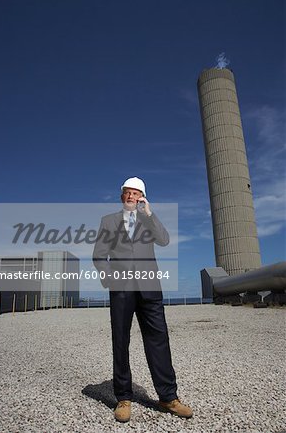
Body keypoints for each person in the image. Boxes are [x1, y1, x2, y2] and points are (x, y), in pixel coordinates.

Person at [92, 177, 193, 423]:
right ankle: (123, 398)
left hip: (150, 289)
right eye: (128, 193)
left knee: (159, 339)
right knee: (121, 341)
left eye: (136, 194)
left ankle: (168, 397)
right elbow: (99, 255)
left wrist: (150, 213)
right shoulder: (109, 221)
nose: (131, 197)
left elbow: (164, 240)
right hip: (122, 289)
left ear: (142, 197)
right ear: (121, 196)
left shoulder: (148, 220)